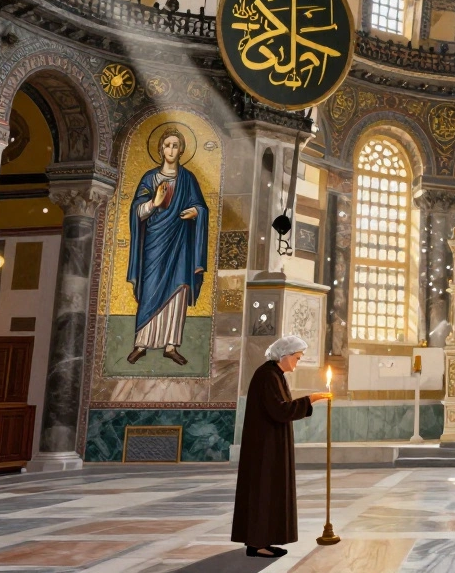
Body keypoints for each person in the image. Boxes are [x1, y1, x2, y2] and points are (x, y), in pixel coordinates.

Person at [232, 335, 332, 558]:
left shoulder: (273, 374)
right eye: (296, 358)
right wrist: (311, 399)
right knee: (264, 491)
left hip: (269, 444)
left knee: (269, 491)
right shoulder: (268, 376)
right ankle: (257, 544)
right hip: (265, 448)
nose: (298, 362)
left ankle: (262, 540)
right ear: (285, 356)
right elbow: (281, 410)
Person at [126, 129, 209, 366]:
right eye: (167, 145)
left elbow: (201, 207)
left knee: (179, 289)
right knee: (150, 287)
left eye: (175, 145)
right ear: (161, 149)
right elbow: (137, 212)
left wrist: (197, 212)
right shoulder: (149, 178)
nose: (171, 150)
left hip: (181, 241)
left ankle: (171, 345)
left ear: (181, 149)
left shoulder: (188, 179)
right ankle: (141, 343)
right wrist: (154, 202)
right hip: (155, 241)